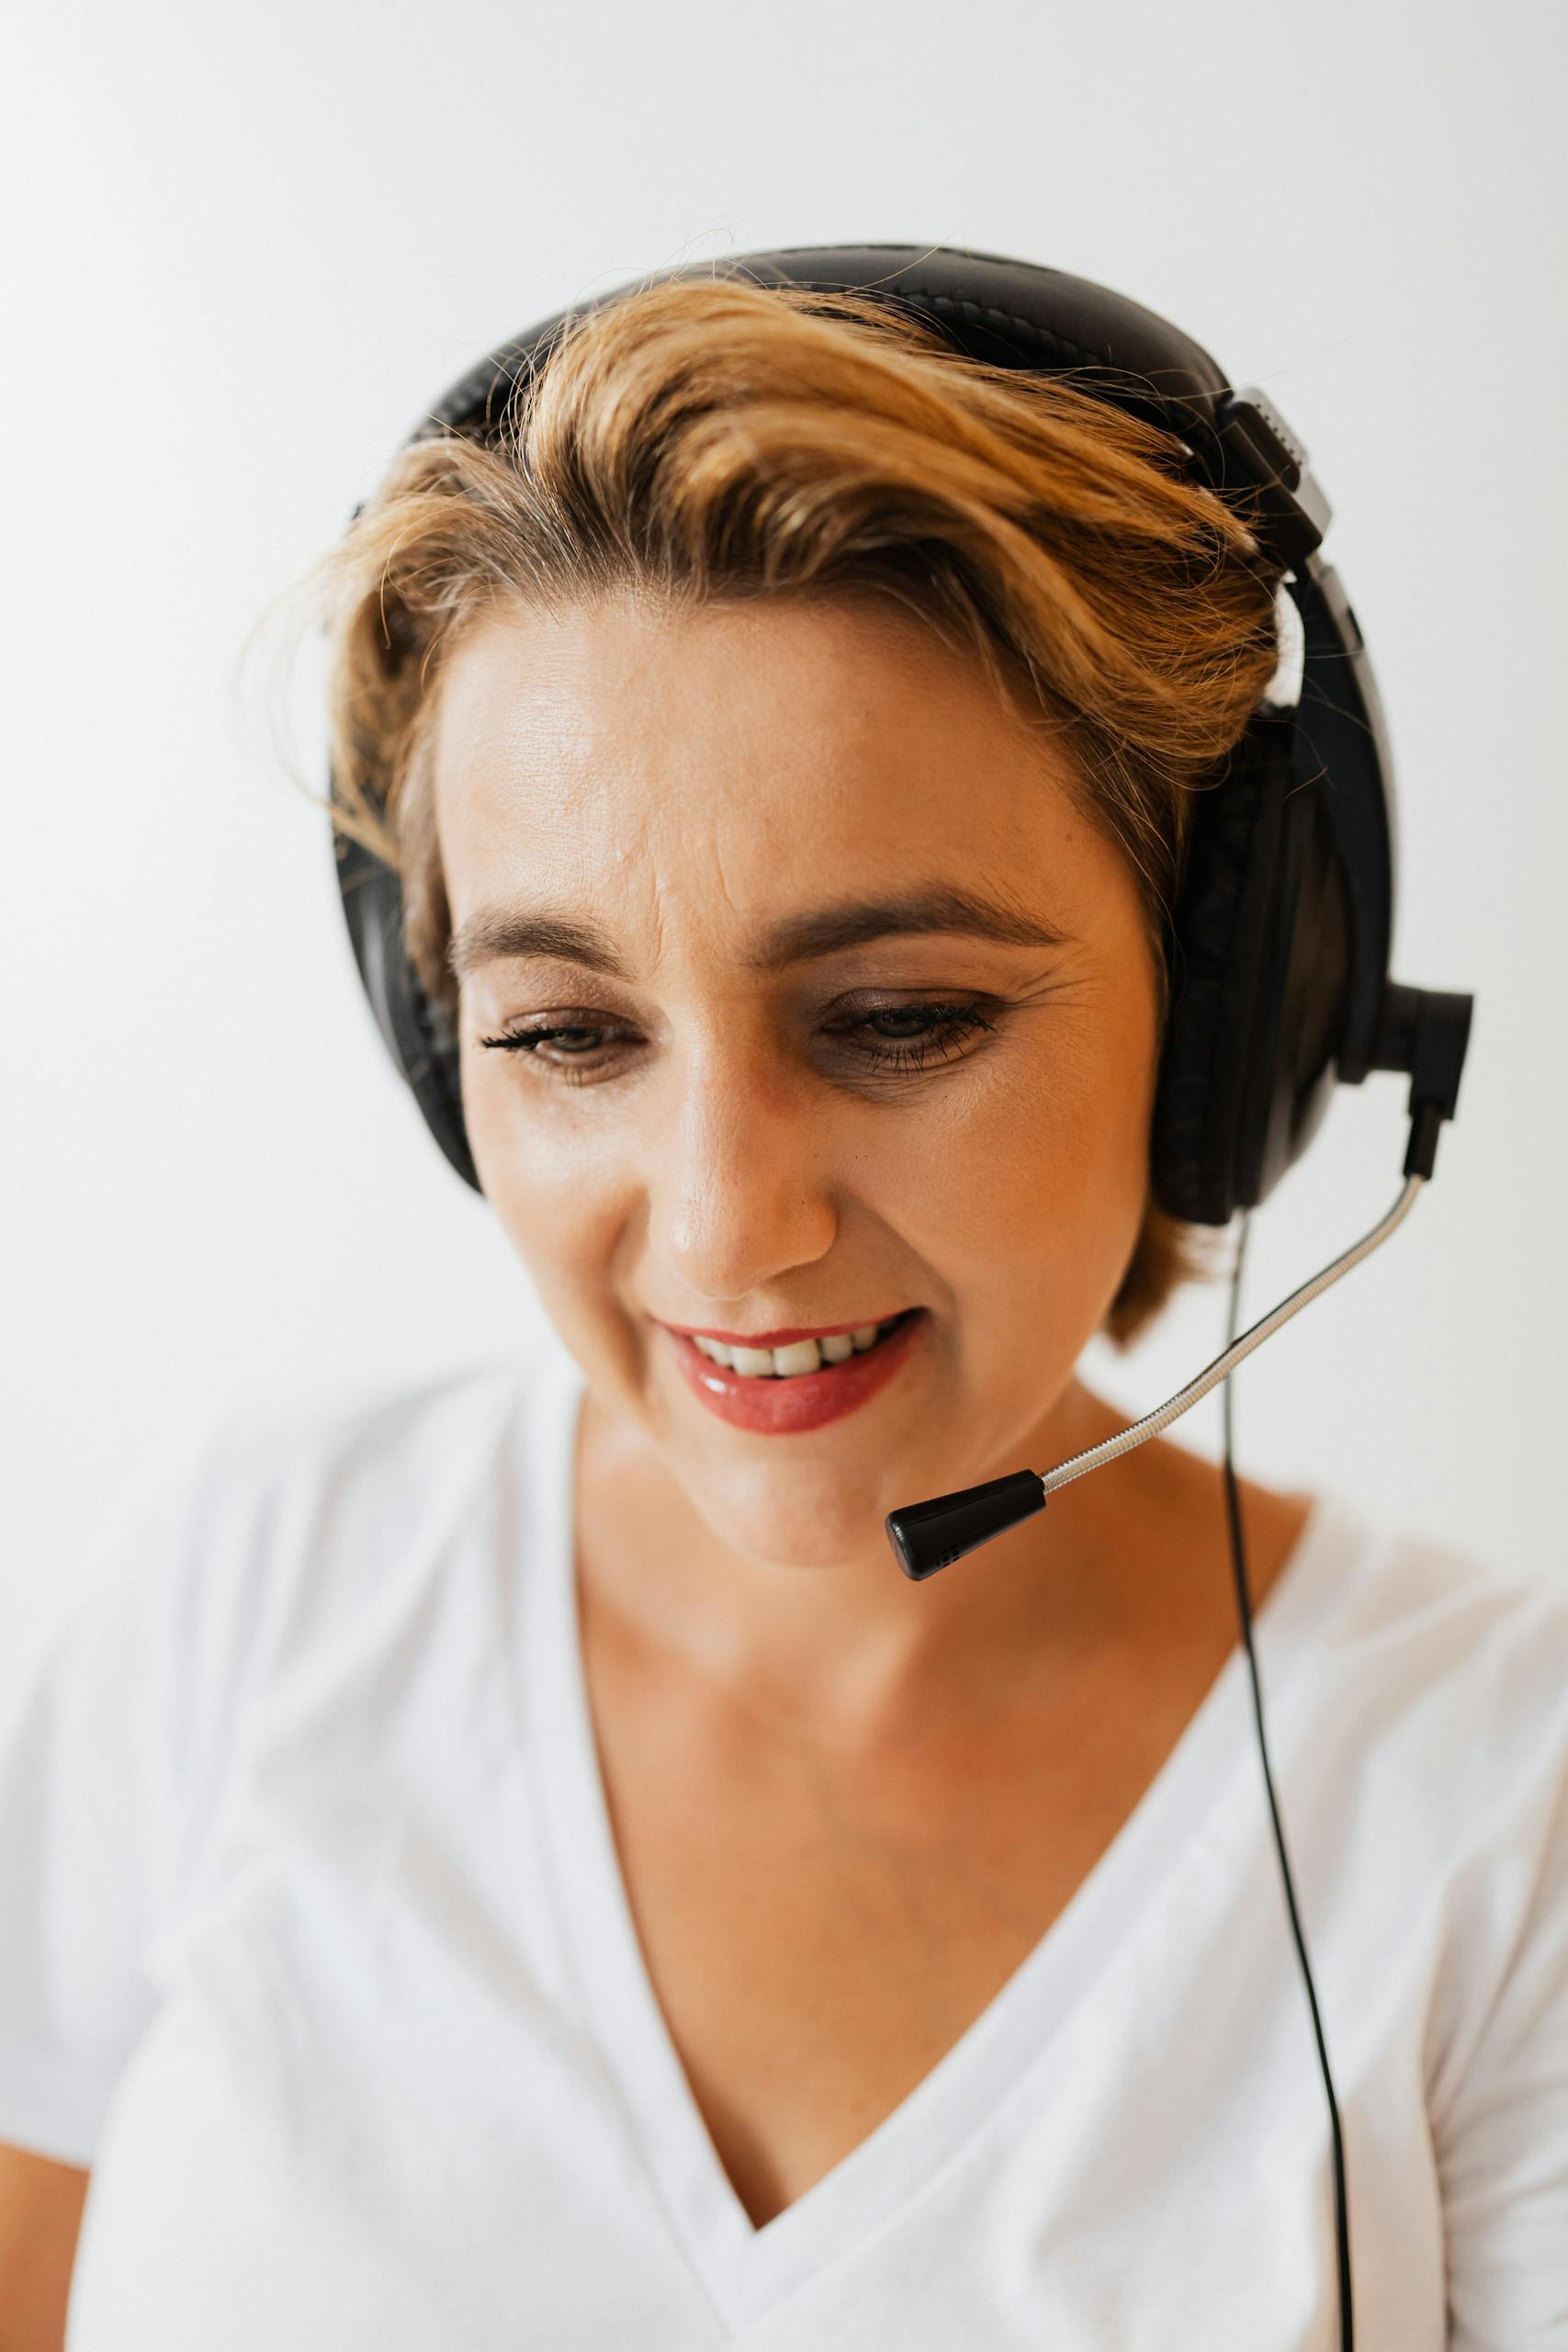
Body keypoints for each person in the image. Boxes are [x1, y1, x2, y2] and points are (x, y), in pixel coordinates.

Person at [3, 272, 1565, 2350]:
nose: (729, 1230)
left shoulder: (1498, 1802)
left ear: (1231, 1001)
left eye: (899, 1017)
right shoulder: (256, 1586)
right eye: (564, 1029)